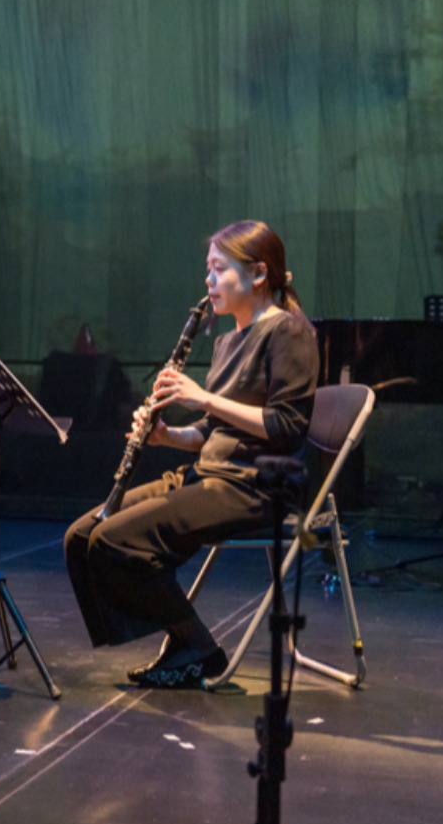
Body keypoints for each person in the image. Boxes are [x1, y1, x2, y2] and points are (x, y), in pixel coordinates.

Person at [64, 220, 318, 689]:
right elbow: (212, 430)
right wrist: (166, 436)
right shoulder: (226, 341)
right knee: (83, 537)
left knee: (116, 541)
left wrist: (203, 397)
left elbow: (287, 427)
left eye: (218, 269)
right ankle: (186, 641)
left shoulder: (289, 332)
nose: (208, 281)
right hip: (212, 475)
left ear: (259, 274)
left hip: (256, 486)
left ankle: (195, 645)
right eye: (208, 270)